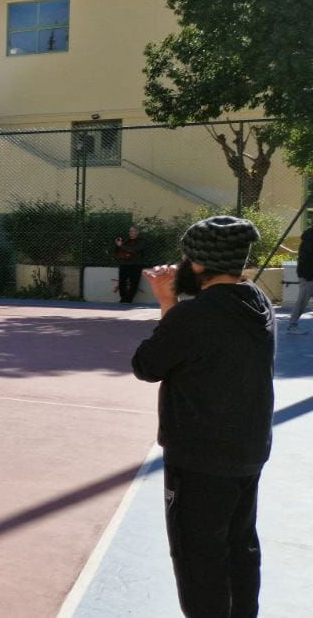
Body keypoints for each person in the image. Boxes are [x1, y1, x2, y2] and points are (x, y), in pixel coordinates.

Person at [132, 215, 274, 617]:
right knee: (239, 547)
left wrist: (166, 302)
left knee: (199, 561)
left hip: (200, 459)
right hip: (247, 451)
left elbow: (148, 364)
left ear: (198, 264)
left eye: (186, 256)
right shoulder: (256, 299)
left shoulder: (195, 316)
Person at [286, 219, 313, 334]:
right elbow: (308, 259)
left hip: (308, 274)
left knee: (302, 300)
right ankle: (292, 325)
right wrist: (308, 276)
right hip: (308, 276)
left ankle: (292, 324)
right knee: (302, 301)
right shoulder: (309, 240)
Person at [114, 226, 144, 303]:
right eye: (130, 231)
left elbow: (134, 250)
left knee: (134, 282)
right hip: (124, 264)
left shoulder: (141, 241)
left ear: (137, 232)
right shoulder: (126, 241)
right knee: (122, 282)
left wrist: (121, 246)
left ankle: (129, 299)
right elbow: (118, 251)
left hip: (135, 264)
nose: (130, 232)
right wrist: (118, 245)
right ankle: (123, 298)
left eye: (133, 231)